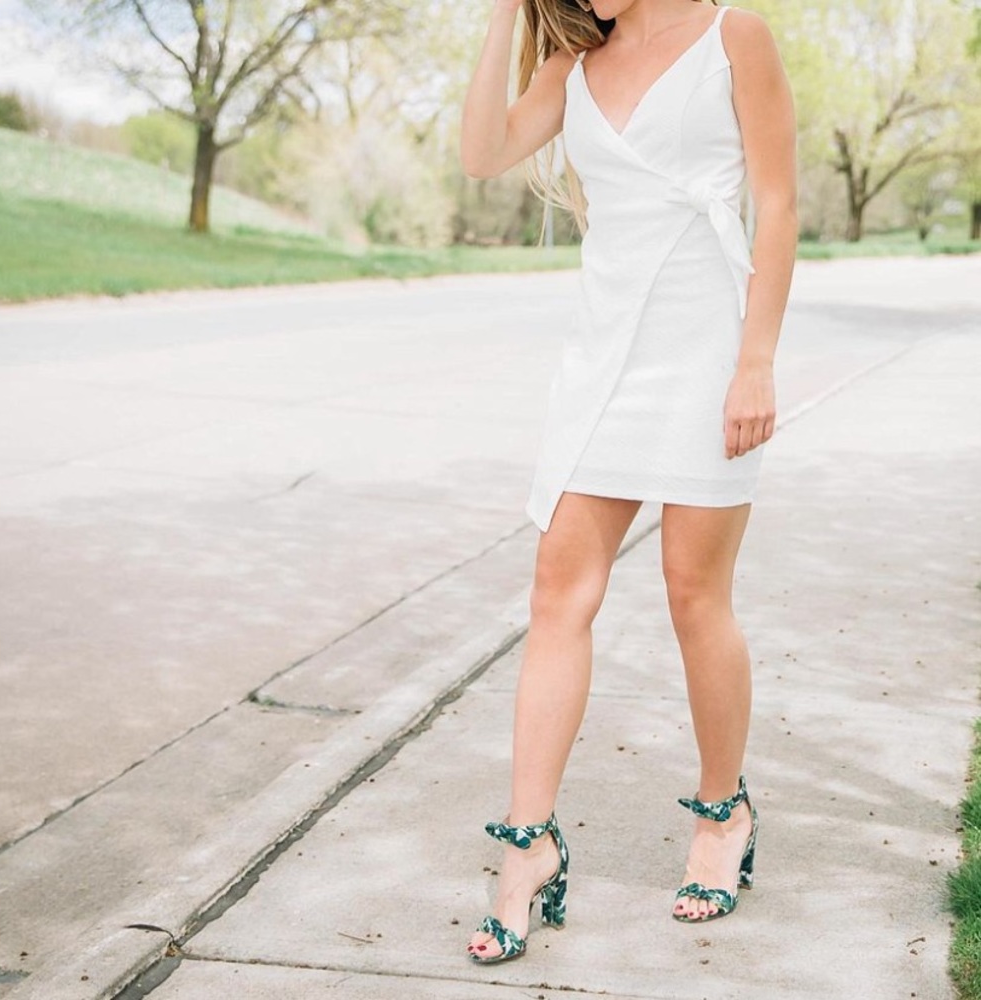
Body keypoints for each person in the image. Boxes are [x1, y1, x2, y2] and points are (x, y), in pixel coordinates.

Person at [459, 0, 797, 965]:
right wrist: (495, 24)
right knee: (557, 592)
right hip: (605, 358)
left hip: (708, 347)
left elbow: (777, 202)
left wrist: (757, 360)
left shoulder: (737, 33)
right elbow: (483, 154)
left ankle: (722, 815)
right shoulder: (570, 63)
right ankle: (528, 853)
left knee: (695, 597)